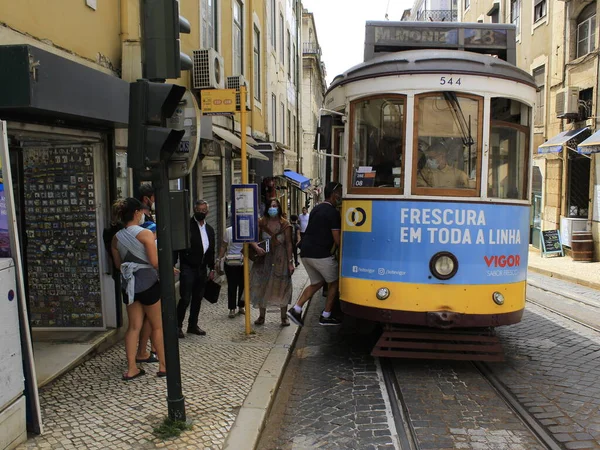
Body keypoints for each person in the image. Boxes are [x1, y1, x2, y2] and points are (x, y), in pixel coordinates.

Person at [110, 198, 166, 380]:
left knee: (133, 327)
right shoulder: (145, 234)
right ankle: (164, 366)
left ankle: (132, 368)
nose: (143, 214)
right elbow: (155, 262)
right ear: (136, 213)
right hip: (149, 283)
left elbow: (118, 265)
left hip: (129, 286)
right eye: (141, 212)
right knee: (157, 326)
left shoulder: (116, 238)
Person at [287, 181, 342, 327]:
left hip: (305, 253)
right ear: (334, 195)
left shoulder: (316, 209)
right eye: (340, 193)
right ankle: (326, 315)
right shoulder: (333, 213)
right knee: (334, 282)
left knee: (317, 282)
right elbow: (337, 239)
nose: (341, 196)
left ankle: (296, 309)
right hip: (320, 254)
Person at [249, 198, 295, 326]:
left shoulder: (285, 224)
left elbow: (289, 244)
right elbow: (252, 238)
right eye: (271, 206)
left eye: (275, 206)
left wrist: (290, 262)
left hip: (281, 259)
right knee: (261, 285)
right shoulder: (261, 222)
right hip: (263, 259)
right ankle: (261, 316)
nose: (273, 208)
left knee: (282, 285)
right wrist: (256, 248)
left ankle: (283, 317)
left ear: (279, 208)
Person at [176, 200, 216, 338]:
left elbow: (211, 250)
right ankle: (177, 326)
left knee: (198, 298)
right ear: (194, 210)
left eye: (204, 210)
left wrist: (212, 268)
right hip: (188, 267)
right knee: (185, 298)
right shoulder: (186, 226)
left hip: (202, 268)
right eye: (198, 210)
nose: (201, 212)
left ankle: (192, 325)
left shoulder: (209, 229)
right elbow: (178, 246)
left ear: (207, 212)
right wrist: (173, 264)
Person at [217, 226, 245, 319]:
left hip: (243, 262)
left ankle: (240, 306)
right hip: (231, 262)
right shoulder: (229, 231)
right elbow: (223, 246)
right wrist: (219, 259)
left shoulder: (247, 229)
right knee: (232, 285)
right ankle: (232, 308)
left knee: (243, 285)